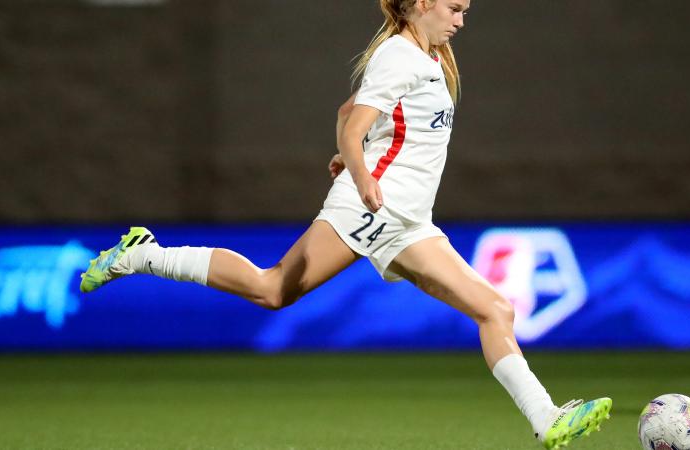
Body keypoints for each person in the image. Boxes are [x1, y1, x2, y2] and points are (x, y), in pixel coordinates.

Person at [80, 1, 611, 448]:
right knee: (271, 289)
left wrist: (351, 156)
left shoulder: (423, 56)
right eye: (454, 8)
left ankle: (548, 421)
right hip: (371, 209)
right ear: (422, 1)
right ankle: (140, 254)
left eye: (466, 10)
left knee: (495, 309)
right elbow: (355, 128)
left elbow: (345, 113)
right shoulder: (399, 56)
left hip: (407, 220)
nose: (461, 21)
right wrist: (358, 173)